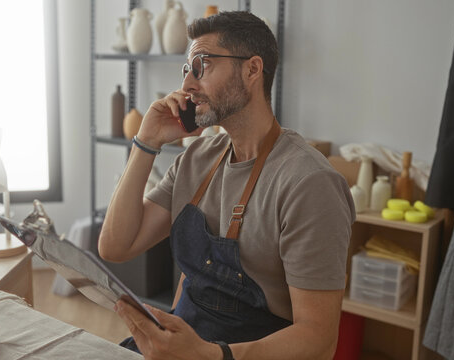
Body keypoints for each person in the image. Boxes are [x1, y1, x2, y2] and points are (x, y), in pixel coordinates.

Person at [99, 11, 355, 360]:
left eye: (201, 65)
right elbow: (116, 246)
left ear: (252, 70)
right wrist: (146, 142)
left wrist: (210, 355)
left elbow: (319, 341)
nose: (187, 84)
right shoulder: (196, 158)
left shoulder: (309, 183)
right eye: (187, 69)